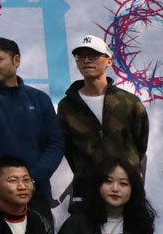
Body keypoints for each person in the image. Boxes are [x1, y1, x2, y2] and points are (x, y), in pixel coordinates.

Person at [0, 37, 62, 209]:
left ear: (16, 61)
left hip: (37, 194)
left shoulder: (39, 99)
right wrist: (7, 177)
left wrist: (32, 179)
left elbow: (55, 143)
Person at [59, 35, 149, 180]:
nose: (86, 60)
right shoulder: (67, 105)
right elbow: (68, 148)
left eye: (93, 55)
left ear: (109, 61)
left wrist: (129, 168)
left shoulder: (129, 102)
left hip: (126, 183)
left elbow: (141, 143)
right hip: (87, 185)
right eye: (80, 56)